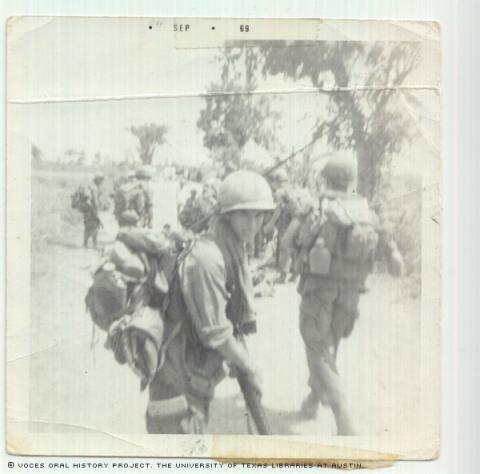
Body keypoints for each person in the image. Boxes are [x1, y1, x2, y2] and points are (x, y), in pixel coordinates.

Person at [115, 169, 276, 434]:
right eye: (244, 214)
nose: (253, 224)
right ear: (226, 215)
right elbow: (216, 333)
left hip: (193, 379)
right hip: (178, 386)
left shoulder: (230, 250)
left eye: (258, 215)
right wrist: (249, 367)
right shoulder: (208, 258)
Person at [295, 154, 380, 435]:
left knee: (318, 348)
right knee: (329, 346)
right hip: (351, 289)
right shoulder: (362, 207)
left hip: (320, 289)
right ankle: (313, 399)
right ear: (350, 180)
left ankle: (344, 420)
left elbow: (292, 240)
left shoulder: (319, 205)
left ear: (326, 178)